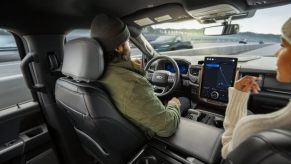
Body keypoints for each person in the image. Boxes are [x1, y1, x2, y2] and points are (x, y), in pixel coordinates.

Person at [90, 14, 190, 137]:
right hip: (148, 140)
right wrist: (173, 105)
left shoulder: (94, 73)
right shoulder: (133, 84)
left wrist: (132, 68)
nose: (130, 45)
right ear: (118, 48)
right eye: (128, 42)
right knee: (183, 100)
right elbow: (167, 127)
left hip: (119, 135)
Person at [221, 17, 291, 159]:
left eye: (283, 46)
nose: (276, 54)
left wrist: (237, 98)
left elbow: (227, 152)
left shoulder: (252, 129)